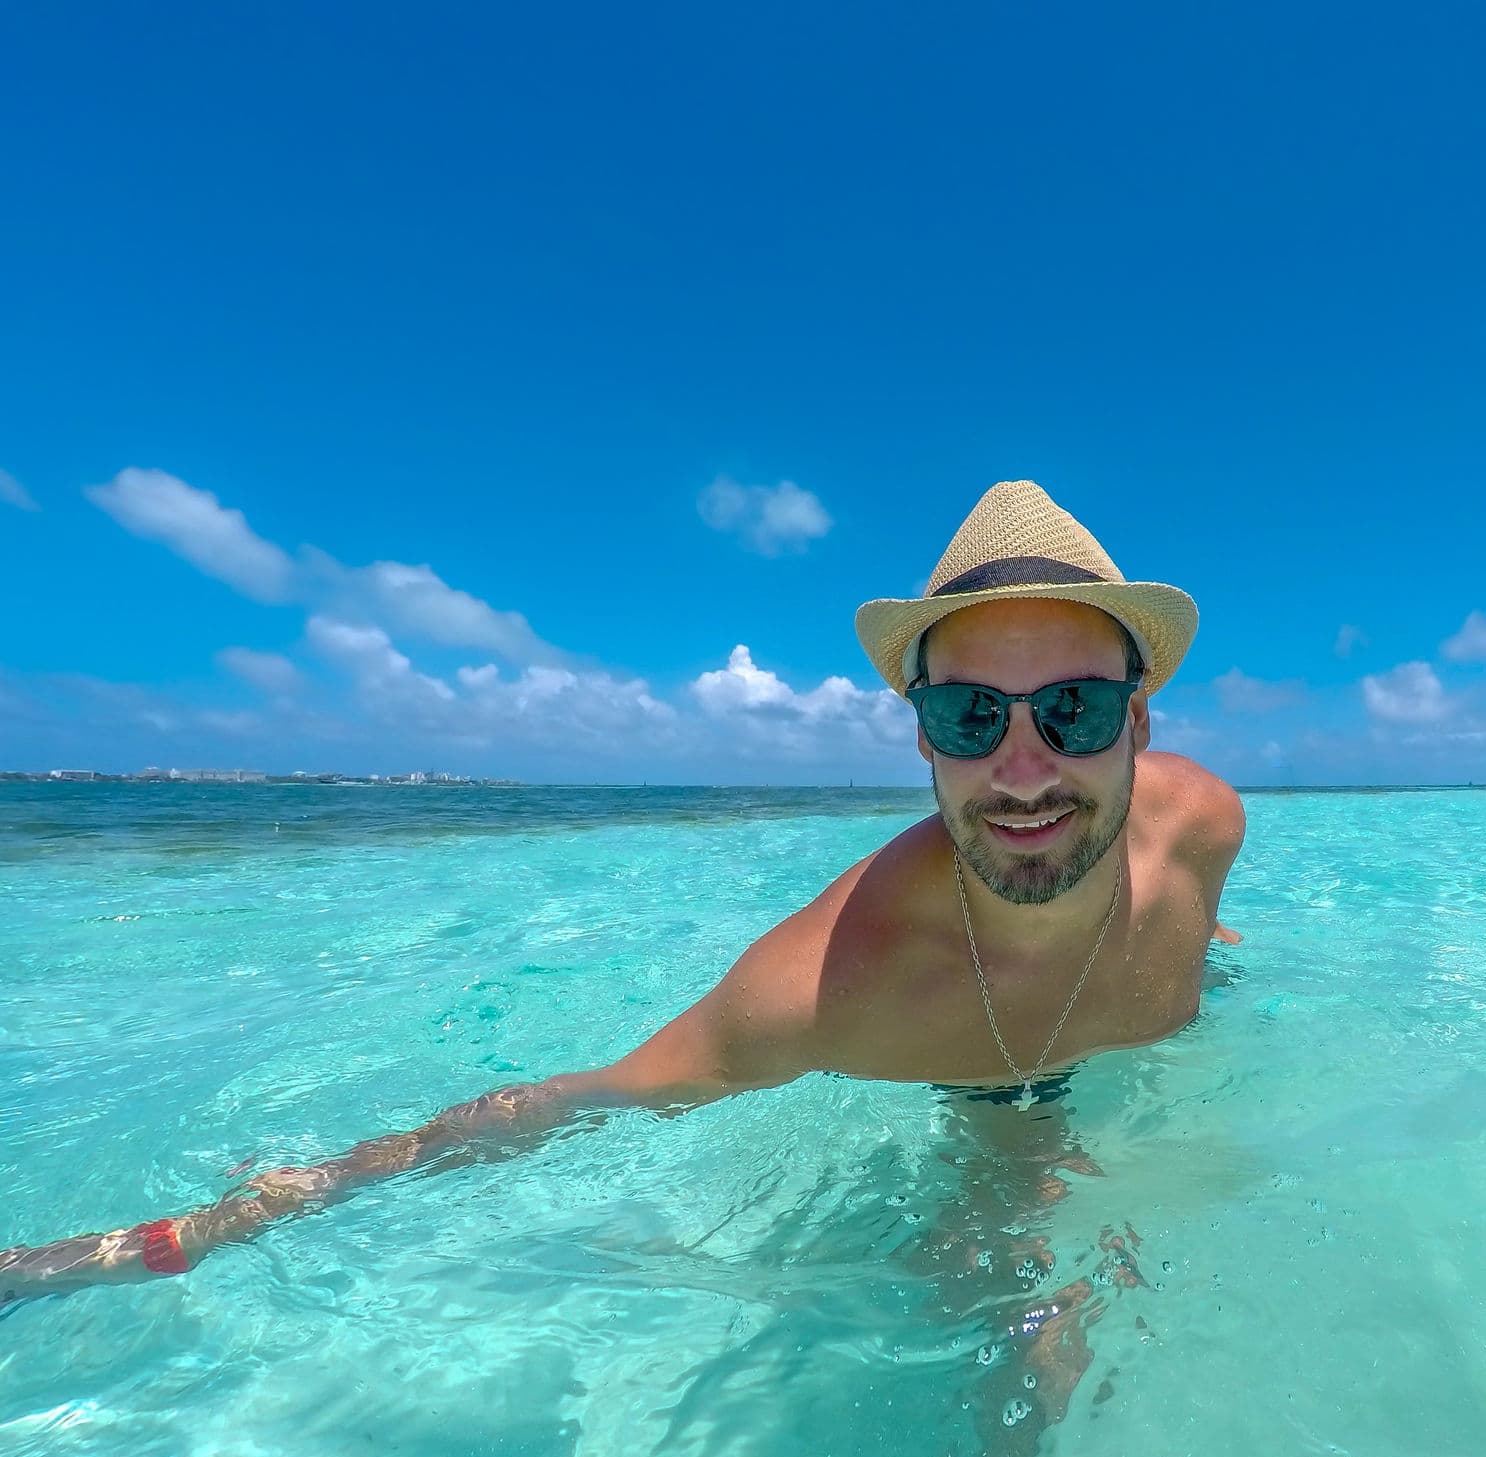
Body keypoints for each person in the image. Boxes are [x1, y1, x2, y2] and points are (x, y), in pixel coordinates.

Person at [1, 480, 1245, 1305]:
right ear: (920, 739)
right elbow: (569, 1102)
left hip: (1102, 1029)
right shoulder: (824, 988)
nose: (1021, 771)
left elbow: (1199, 917)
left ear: (1137, 724)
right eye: (971, 715)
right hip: (973, 1082)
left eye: (1070, 711)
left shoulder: (1203, 826)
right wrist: (211, 1228)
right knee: (1023, 1329)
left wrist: (1215, 961)